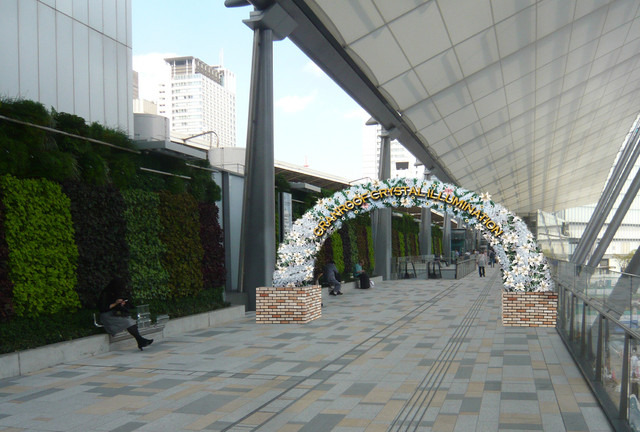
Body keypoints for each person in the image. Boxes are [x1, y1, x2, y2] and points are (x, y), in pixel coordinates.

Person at [98, 277, 153, 351]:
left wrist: (122, 304)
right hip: (107, 315)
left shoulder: (116, 293)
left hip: (114, 314)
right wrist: (115, 303)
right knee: (128, 321)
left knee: (130, 320)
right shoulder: (105, 293)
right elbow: (103, 308)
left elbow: (124, 306)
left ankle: (140, 340)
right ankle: (140, 340)